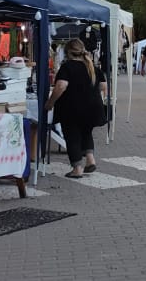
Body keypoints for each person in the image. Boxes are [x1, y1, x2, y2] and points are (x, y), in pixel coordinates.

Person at [44, 38, 107, 178]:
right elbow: (103, 87)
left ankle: (77, 168)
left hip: (72, 108)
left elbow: (61, 86)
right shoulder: (92, 67)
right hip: (93, 107)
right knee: (86, 132)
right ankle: (90, 160)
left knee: (72, 136)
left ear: (67, 52)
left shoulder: (67, 67)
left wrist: (50, 102)